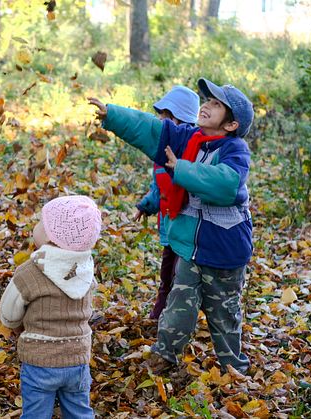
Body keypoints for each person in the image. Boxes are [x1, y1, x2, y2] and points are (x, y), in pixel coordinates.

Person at [88, 78, 254, 374]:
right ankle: (164, 357)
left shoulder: (235, 151)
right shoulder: (187, 138)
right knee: (179, 305)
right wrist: (112, 115)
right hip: (190, 250)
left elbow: (226, 186)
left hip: (224, 253)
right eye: (207, 100)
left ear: (231, 125)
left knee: (223, 315)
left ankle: (235, 369)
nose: (206, 105)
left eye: (216, 104)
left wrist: (182, 168)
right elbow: (153, 130)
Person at [0, 195, 102, 418]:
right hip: (78, 357)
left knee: (36, 413)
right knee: (79, 411)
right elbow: (88, 308)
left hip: (40, 360)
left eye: (41, 223)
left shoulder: (30, 272)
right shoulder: (85, 269)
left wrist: (17, 326)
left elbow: (8, 314)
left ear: (50, 235)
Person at [133, 85, 199, 320]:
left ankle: (179, 315)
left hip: (188, 232)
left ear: (180, 121)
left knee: (183, 275)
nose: (161, 121)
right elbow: (157, 189)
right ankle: (160, 311)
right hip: (168, 228)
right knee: (166, 274)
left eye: (166, 117)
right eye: (161, 116)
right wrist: (145, 205)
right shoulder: (160, 159)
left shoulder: (193, 154)